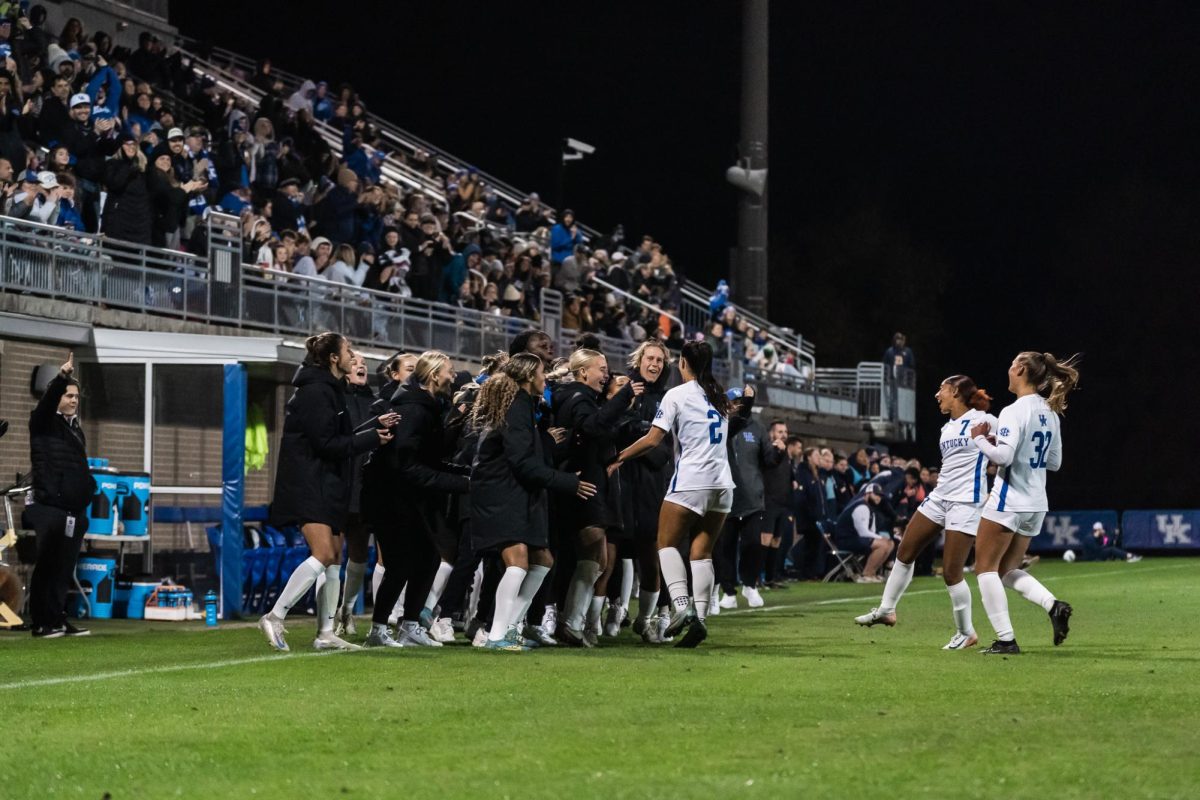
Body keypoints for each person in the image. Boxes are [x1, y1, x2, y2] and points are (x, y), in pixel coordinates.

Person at [259, 333, 396, 652]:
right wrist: (372, 439)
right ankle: (275, 615)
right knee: (322, 554)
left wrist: (373, 426)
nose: (353, 357)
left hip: (325, 484)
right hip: (309, 485)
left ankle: (325, 633)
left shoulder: (330, 390)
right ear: (334, 358)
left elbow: (336, 436)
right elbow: (326, 445)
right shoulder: (316, 392)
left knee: (334, 558)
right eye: (349, 351)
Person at [608, 341, 740, 648]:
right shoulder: (718, 395)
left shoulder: (676, 395)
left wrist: (619, 457)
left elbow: (653, 440)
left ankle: (682, 607)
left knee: (664, 544)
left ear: (682, 363)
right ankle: (702, 619)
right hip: (723, 485)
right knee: (702, 553)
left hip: (692, 481)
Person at [854, 375, 999, 649]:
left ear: (955, 391)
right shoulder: (947, 428)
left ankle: (966, 632)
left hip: (966, 502)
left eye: (941, 388)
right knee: (905, 551)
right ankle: (887, 609)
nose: (937, 394)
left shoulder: (986, 420)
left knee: (951, 572)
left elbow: (1007, 451)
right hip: (939, 497)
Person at [470, 353, 597, 650]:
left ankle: (511, 628)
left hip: (514, 492)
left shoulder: (523, 406)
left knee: (543, 560)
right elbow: (521, 463)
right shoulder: (516, 407)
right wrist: (567, 482)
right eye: (542, 373)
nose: (545, 378)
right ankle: (497, 635)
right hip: (500, 493)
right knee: (517, 563)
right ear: (529, 377)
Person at [969, 351, 1080, 655]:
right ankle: (1053, 605)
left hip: (1009, 499)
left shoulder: (1013, 411)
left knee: (985, 569)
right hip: (1036, 502)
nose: (1008, 369)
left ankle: (1006, 639)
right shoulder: (1051, 411)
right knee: (1007, 569)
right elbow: (1054, 463)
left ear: (1019, 369)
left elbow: (1003, 458)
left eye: (1010, 364)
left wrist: (980, 439)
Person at [364, 351, 470, 648]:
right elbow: (407, 465)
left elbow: (430, 458)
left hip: (409, 495)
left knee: (428, 558)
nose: (453, 376)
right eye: (449, 371)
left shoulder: (429, 406)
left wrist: (466, 475)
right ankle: (378, 629)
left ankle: (409, 625)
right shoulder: (413, 409)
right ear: (435, 375)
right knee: (400, 564)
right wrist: (459, 483)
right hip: (393, 495)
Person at [551, 348, 642, 646]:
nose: (605, 374)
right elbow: (592, 427)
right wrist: (623, 398)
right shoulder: (578, 398)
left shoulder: (578, 398)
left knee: (593, 558)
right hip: (582, 484)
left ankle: (570, 621)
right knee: (591, 555)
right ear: (582, 372)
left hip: (585, 482)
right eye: (600, 369)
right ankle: (569, 622)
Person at [24, 352, 96, 638]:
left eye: (76, 396)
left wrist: (86, 490)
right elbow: (45, 404)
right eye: (68, 395)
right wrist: (61, 377)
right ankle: (41, 622)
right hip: (49, 507)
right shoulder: (42, 422)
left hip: (72, 510)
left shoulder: (75, 430)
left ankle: (57, 618)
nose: (74, 400)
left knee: (64, 568)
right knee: (47, 566)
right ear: (56, 397)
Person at [615, 340, 675, 642]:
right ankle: (599, 616)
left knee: (652, 556)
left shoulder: (668, 398)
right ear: (639, 360)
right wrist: (645, 432)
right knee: (609, 555)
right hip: (621, 482)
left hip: (653, 486)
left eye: (660, 361)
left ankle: (647, 619)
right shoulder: (623, 389)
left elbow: (662, 451)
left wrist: (638, 435)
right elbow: (616, 427)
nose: (654, 364)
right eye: (650, 358)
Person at [715, 390, 784, 610]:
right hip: (726, 495)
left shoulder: (758, 429)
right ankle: (727, 590)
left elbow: (769, 461)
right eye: (732, 402)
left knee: (753, 544)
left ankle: (749, 584)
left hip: (753, 496)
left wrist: (779, 451)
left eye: (739, 402)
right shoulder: (720, 424)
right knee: (725, 546)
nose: (736, 406)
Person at [333, 352, 377, 637]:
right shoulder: (335, 399)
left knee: (360, 551)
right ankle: (327, 618)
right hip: (338, 484)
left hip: (364, 487)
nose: (360, 365)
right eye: (355, 361)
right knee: (331, 554)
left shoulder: (375, 403)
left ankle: (346, 610)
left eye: (364, 363)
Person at [834, 483, 894, 582]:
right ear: (867, 494)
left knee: (890, 544)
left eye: (880, 496)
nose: (878, 498)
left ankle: (873, 572)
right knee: (883, 545)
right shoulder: (861, 507)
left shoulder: (871, 509)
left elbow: (872, 531)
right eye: (876, 495)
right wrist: (881, 539)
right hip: (846, 540)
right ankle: (867, 574)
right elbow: (863, 532)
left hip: (857, 538)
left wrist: (882, 538)